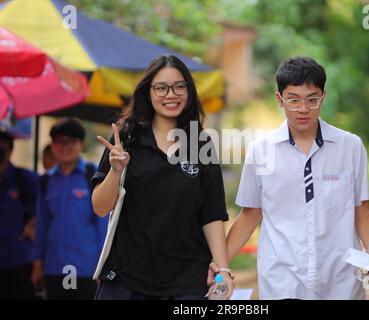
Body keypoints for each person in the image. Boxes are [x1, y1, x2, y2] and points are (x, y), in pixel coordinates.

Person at [210, 56, 369, 300]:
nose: (303, 109)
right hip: (282, 280)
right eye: (294, 100)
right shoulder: (261, 150)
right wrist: (220, 265)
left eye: (312, 100)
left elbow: (362, 209)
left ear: (323, 96)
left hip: (340, 282)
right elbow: (250, 214)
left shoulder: (350, 147)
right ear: (279, 99)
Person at [91, 55, 233, 300]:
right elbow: (100, 208)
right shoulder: (126, 139)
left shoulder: (201, 144)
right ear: (148, 92)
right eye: (161, 88)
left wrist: (224, 270)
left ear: (188, 91)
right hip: (128, 278)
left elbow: (211, 214)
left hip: (187, 281)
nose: (171, 94)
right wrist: (115, 170)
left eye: (179, 86)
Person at [32, 118, 107, 300]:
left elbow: (103, 223)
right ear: (52, 146)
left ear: (81, 145)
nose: (64, 147)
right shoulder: (46, 180)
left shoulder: (93, 175)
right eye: (59, 141)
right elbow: (41, 225)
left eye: (70, 141)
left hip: (85, 268)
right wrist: (38, 263)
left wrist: (102, 265)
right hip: (54, 267)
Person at [0, 130, 38, 299]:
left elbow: (46, 209)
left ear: (10, 150)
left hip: (19, 262)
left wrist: (34, 222)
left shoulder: (24, 178)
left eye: (2, 150)